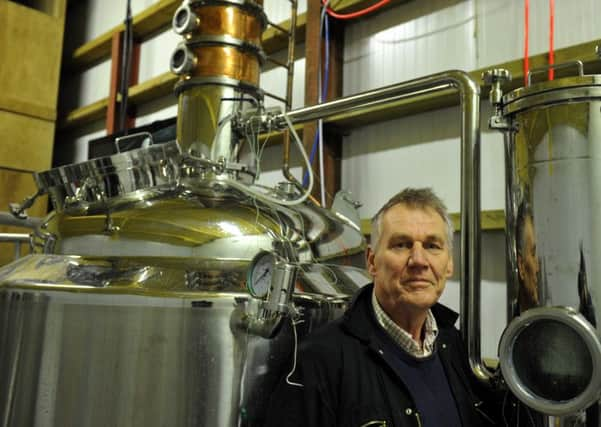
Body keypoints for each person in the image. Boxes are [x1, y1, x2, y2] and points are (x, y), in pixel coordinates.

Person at [265, 188, 497, 427]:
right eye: (402, 244)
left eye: (432, 246)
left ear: (449, 264)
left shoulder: (457, 348)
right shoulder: (320, 361)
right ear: (372, 261)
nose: (419, 260)